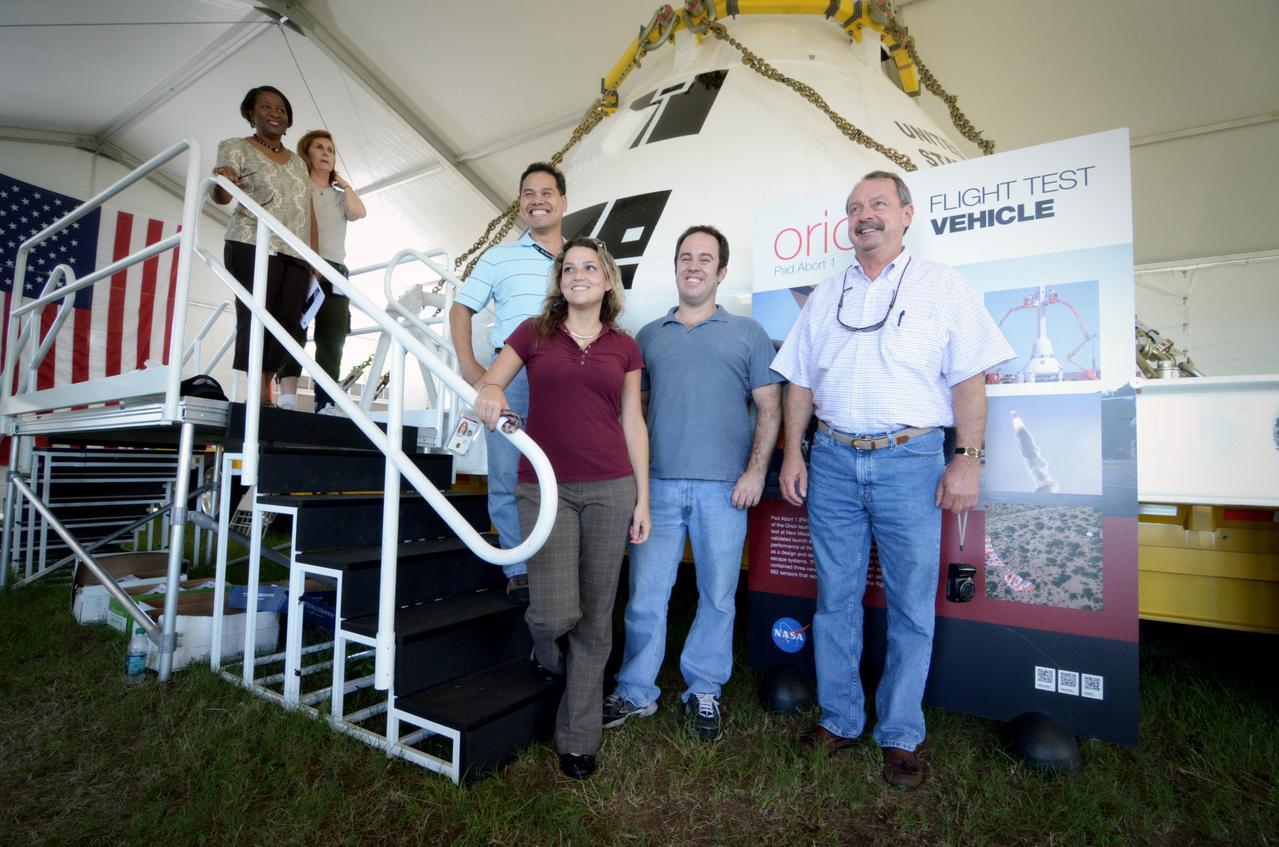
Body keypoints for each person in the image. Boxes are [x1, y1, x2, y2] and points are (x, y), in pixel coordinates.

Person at [771, 171, 1013, 791]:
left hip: (911, 461)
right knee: (835, 600)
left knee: (910, 605)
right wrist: (793, 452)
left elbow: (968, 381)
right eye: (854, 208)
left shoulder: (943, 286)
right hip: (831, 458)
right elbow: (799, 379)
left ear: (906, 215)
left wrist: (967, 458)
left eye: (878, 204)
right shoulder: (825, 294)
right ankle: (841, 718)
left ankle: (901, 733)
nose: (865, 215)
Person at [473, 237, 650, 781]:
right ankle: (548, 655)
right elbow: (492, 381)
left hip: (610, 487)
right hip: (542, 487)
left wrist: (643, 497)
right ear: (559, 282)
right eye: (568, 268)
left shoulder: (625, 346)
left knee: (597, 618)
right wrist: (489, 396)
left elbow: (632, 422)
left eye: (589, 267)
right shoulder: (533, 332)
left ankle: (578, 737)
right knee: (553, 613)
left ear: (606, 280)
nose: (578, 275)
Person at [603, 225, 781, 741]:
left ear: (722, 271)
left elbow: (769, 408)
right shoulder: (649, 337)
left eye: (705, 258)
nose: (694, 265)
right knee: (645, 596)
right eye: (686, 257)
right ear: (676, 267)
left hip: (724, 491)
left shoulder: (748, 333)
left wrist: (755, 471)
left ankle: (704, 689)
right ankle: (635, 691)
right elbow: (632, 411)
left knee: (718, 596)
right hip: (655, 486)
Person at [449, 163, 567, 604]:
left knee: (563, 470)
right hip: (510, 376)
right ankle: (518, 568)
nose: (537, 200)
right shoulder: (498, 256)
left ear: (563, 201)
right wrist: (470, 368)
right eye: (528, 193)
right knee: (506, 471)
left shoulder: (581, 257)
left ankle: (558, 561)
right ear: (520, 204)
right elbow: (461, 308)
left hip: (568, 376)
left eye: (547, 192)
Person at [211, 85, 316, 406]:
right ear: (250, 113)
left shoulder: (299, 162)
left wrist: (313, 257)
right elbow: (222, 197)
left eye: (281, 110)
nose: (275, 114)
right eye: (266, 107)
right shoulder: (235, 147)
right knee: (256, 315)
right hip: (251, 242)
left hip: (294, 252)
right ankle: (255, 392)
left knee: (285, 320)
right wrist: (223, 178)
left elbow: (307, 210)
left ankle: (266, 388)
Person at [276, 130, 367, 412]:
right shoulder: (298, 187)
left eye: (331, 149)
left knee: (333, 336)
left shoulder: (341, 196)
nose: (326, 153)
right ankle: (288, 399)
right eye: (319, 148)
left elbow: (358, 213)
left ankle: (325, 402)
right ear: (307, 153)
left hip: (335, 272)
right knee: (294, 331)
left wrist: (346, 186)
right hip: (301, 265)